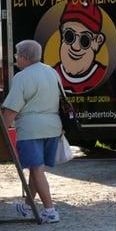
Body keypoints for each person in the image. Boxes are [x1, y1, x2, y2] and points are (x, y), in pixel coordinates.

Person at [1, 40, 62, 223]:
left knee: (36, 169)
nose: (16, 58)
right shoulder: (52, 72)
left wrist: (3, 131)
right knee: (38, 169)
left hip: (31, 128)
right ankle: (28, 207)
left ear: (24, 57)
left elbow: (11, 109)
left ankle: (50, 210)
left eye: (17, 55)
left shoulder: (22, 77)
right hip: (53, 127)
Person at [54, 0, 107, 93]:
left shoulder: (103, 77)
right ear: (62, 33)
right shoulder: (52, 74)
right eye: (69, 36)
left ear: (97, 41)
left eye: (84, 40)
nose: (75, 47)